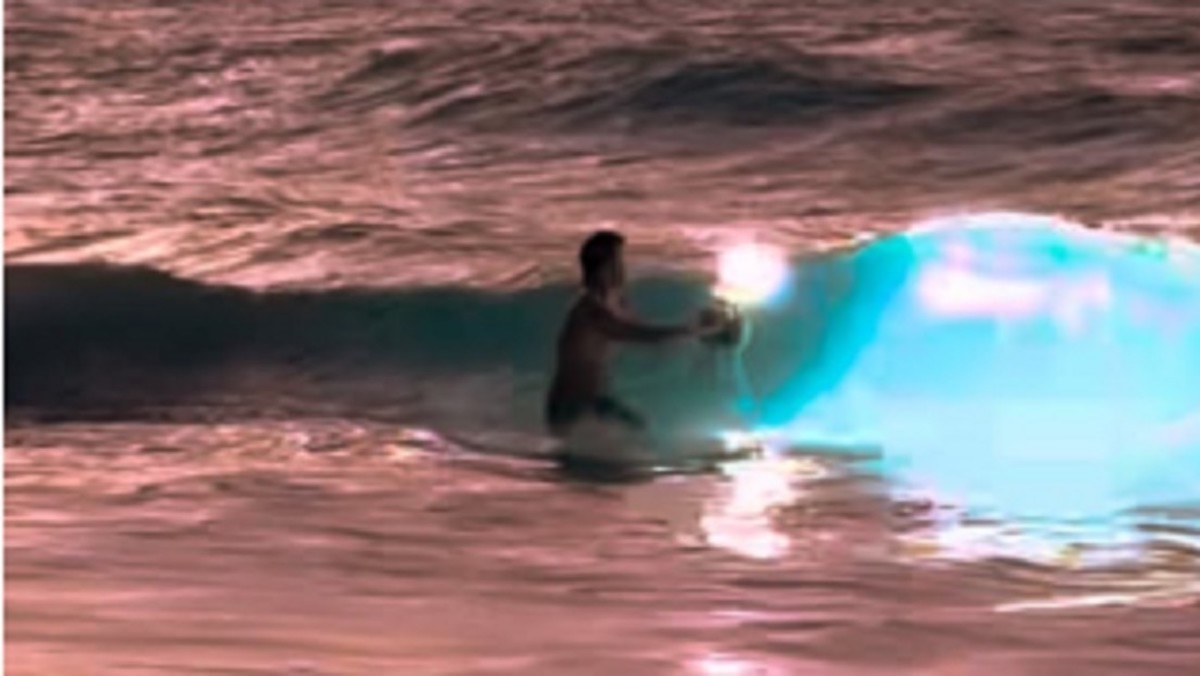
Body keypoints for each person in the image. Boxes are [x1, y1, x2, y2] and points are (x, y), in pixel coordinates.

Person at [545, 230, 727, 437]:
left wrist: (695, 328)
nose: (622, 270)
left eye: (620, 263)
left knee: (637, 433)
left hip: (594, 401)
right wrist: (695, 330)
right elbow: (642, 334)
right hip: (571, 408)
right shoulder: (591, 310)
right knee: (636, 435)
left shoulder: (615, 303)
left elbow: (645, 331)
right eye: (615, 264)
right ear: (600, 269)